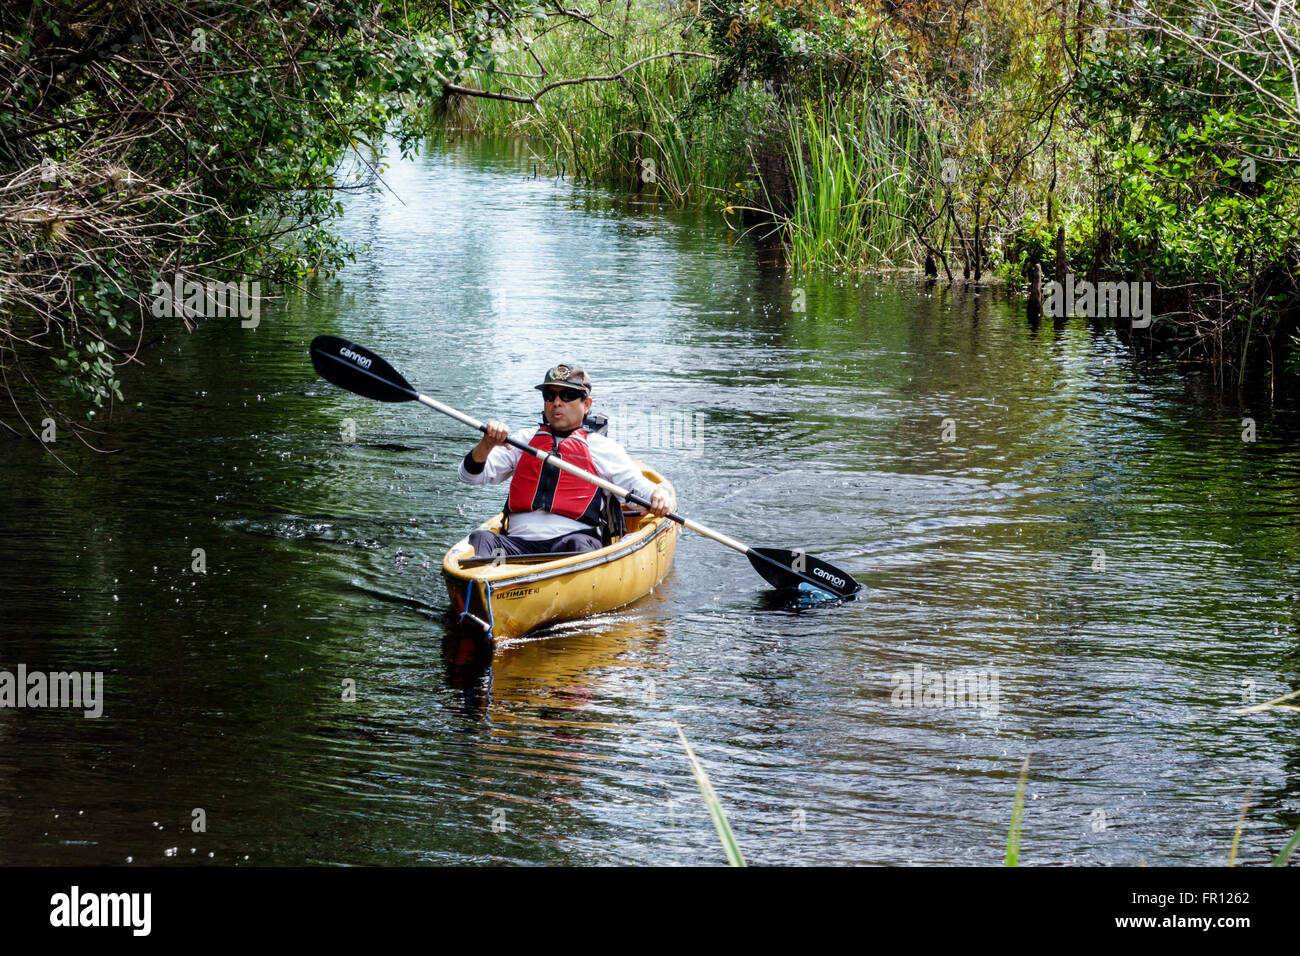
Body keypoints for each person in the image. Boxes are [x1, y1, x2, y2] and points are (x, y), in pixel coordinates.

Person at [458, 363, 676, 558]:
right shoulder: (523, 441)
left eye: (567, 396)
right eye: (550, 396)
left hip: (571, 543)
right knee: (480, 539)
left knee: (579, 546)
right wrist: (487, 443)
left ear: (587, 404)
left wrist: (658, 495)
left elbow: (636, 488)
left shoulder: (600, 447)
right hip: (517, 546)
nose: (556, 403)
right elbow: (469, 477)